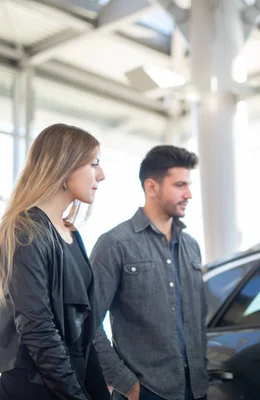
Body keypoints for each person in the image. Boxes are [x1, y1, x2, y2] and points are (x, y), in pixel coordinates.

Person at [0, 123, 108, 399]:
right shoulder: (26, 230)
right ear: (65, 167)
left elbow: (86, 331)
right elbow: (39, 331)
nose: (101, 175)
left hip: (69, 379)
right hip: (36, 388)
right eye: (93, 164)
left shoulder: (71, 233)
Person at [91, 145, 208, 400]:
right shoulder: (115, 244)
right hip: (146, 392)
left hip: (195, 390)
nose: (188, 194)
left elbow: (199, 322)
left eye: (188, 185)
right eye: (179, 185)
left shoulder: (192, 247)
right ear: (151, 187)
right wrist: (127, 385)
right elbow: (87, 323)